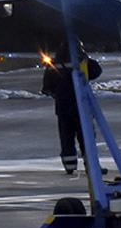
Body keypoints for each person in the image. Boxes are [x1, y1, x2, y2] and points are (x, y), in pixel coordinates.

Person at [41, 42, 102, 175]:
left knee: (66, 137)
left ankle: (69, 165)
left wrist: (57, 94)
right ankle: (91, 165)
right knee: (86, 136)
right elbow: (96, 71)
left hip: (63, 106)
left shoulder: (54, 64)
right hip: (81, 104)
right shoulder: (82, 61)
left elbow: (47, 86)